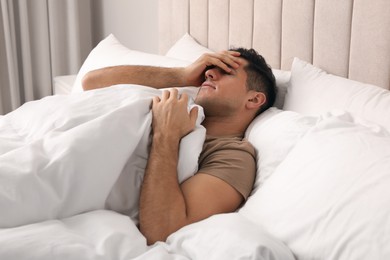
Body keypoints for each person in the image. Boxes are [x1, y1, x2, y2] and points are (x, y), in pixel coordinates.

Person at [82, 47, 277, 245]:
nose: (209, 73)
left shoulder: (234, 157)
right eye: (210, 68)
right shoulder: (180, 97)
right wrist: (181, 75)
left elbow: (162, 229)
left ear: (254, 99)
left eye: (226, 72)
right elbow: (90, 82)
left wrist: (165, 134)